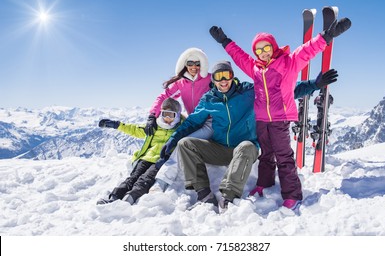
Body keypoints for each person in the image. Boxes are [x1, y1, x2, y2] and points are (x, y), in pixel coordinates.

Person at [209, 16, 351, 211]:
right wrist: (225, 41)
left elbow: (308, 50)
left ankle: (293, 194)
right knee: (266, 155)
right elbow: (239, 56)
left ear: (273, 47)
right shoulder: (255, 68)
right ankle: (264, 184)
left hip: (280, 119)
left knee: (284, 157)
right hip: (261, 119)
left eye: (266, 48)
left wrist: (327, 36)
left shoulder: (289, 62)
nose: (263, 53)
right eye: (258, 50)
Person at [159, 61, 259, 213]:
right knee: (185, 144)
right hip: (219, 149)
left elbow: (276, 91)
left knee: (247, 146)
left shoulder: (247, 91)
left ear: (232, 76)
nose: (223, 80)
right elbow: (192, 121)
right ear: (214, 80)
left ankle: (228, 198)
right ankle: (204, 195)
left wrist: (307, 86)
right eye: (219, 76)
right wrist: (173, 138)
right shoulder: (209, 99)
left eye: (227, 75)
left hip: (243, 150)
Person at [145, 48, 214, 192]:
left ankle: (162, 180)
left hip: (210, 121)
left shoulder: (209, 79)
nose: (194, 67)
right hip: (194, 122)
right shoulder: (181, 83)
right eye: (190, 63)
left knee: (183, 144)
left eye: (197, 63)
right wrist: (152, 115)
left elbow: (226, 85)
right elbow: (164, 96)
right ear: (184, 64)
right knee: (176, 141)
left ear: (202, 64)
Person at [96, 98, 182, 205]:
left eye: (171, 115)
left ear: (177, 115)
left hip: (161, 160)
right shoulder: (155, 125)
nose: (167, 118)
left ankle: (130, 198)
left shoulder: (181, 127)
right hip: (146, 158)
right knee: (132, 178)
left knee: (145, 179)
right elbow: (135, 129)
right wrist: (116, 125)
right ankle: (114, 197)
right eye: (165, 114)